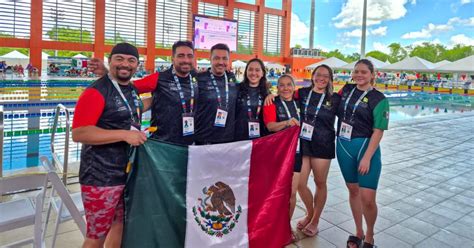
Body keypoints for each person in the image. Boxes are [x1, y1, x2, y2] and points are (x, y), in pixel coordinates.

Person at [72, 43, 147, 248]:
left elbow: (136, 108)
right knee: (97, 235)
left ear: (137, 65)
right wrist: (124, 134)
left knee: (119, 225)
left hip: (125, 173)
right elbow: (79, 133)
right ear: (110, 60)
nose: (125, 64)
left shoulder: (130, 88)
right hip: (100, 176)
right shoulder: (96, 92)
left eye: (131, 60)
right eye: (119, 59)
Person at [88, 40, 198, 145]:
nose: (186, 60)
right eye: (181, 56)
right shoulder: (159, 78)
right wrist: (107, 72)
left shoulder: (199, 79)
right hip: (163, 145)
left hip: (191, 143)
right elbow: (125, 87)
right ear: (172, 58)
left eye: (190, 56)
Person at [336, 59, 389, 248]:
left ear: (372, 75)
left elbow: (379, 130)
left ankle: (369, 235)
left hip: (366, 149)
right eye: (356, 71)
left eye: (364, 72)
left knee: (367, 198)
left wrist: (367, 157)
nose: (359, 75)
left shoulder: (379, 98)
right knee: (353, 191)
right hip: (343, 147)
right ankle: (358, 232)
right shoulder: (346, 90)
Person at [262, 74, 310, 242]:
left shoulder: (299, 102)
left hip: (296, 153)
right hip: (278, 155)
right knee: (276, 193)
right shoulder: (271, 103)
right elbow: (270, 126)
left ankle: (286, 226)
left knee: (291, 193)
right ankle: (272, 224)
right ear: (277, 87)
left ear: (294, 86)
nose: (285, 88)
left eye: (289, 84)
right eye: (281, 85)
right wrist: (286, 123)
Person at [296, 64, 340, 237]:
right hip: (304, 142)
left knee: (320, 182)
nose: (321, 78)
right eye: (318, 75)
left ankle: (315, 220)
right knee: (300, 183)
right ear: (313, 76)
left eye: (326, 76)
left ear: (329, 79)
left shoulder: (335, 99)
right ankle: (309, 212)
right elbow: (284, 98)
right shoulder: (302, 93)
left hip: (323, 144)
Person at [194, 43, 238, 144]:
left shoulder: (232, 78)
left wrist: (270, 95)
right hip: (205, 139)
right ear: (210, 59)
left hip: (229, 139)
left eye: (224, 58)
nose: (221, 62)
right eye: (217, 58)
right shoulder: (199, 78)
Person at [234, 58, 269, 141]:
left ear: (262, 73)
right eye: (250, 70)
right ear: (246, 72)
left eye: (257, 70)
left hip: (258, 139)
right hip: (238, 138)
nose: (253, 73)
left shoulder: (266, 94)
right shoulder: (236, 89)